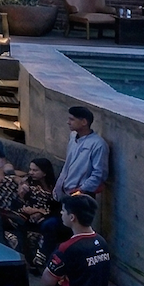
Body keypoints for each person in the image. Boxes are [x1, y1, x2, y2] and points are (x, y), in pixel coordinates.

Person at [43, 107, 109, 257]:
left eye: (72, 119)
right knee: (55, 229)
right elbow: (68, 165)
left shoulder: (98, 144)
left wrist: (82, 190)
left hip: (80, 197)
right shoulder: (73, 137)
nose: (68, 122)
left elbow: (99, 174)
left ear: (84, 122)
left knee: (69, 233)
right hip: (63, 194)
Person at [2, 158, 60, 266]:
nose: (31, 172)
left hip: (43, 218)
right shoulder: (27, 184)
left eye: (35, 170)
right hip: (23, 215)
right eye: (30, 169)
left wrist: (39, 212)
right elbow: (18, 205)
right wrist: (21, 195)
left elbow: (55, 209)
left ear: (44, 173)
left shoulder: (54, 189)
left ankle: (35, 260)